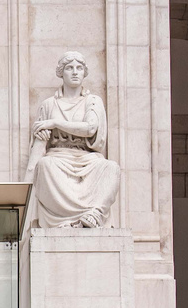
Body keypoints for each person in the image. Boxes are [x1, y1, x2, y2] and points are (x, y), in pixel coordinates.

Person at [24, 50, 120, 229]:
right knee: (45, 166)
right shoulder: (48, 105)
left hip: (88, 159)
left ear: (85, 72)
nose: (75, 72)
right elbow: (39, 146)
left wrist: (54, 123)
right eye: (69, 68)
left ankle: (95, 213)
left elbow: (91, 128)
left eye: (79, 68)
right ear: (61, 72)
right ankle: (64, 220)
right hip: (58, 157)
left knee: (111, 168)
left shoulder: (92, 101)